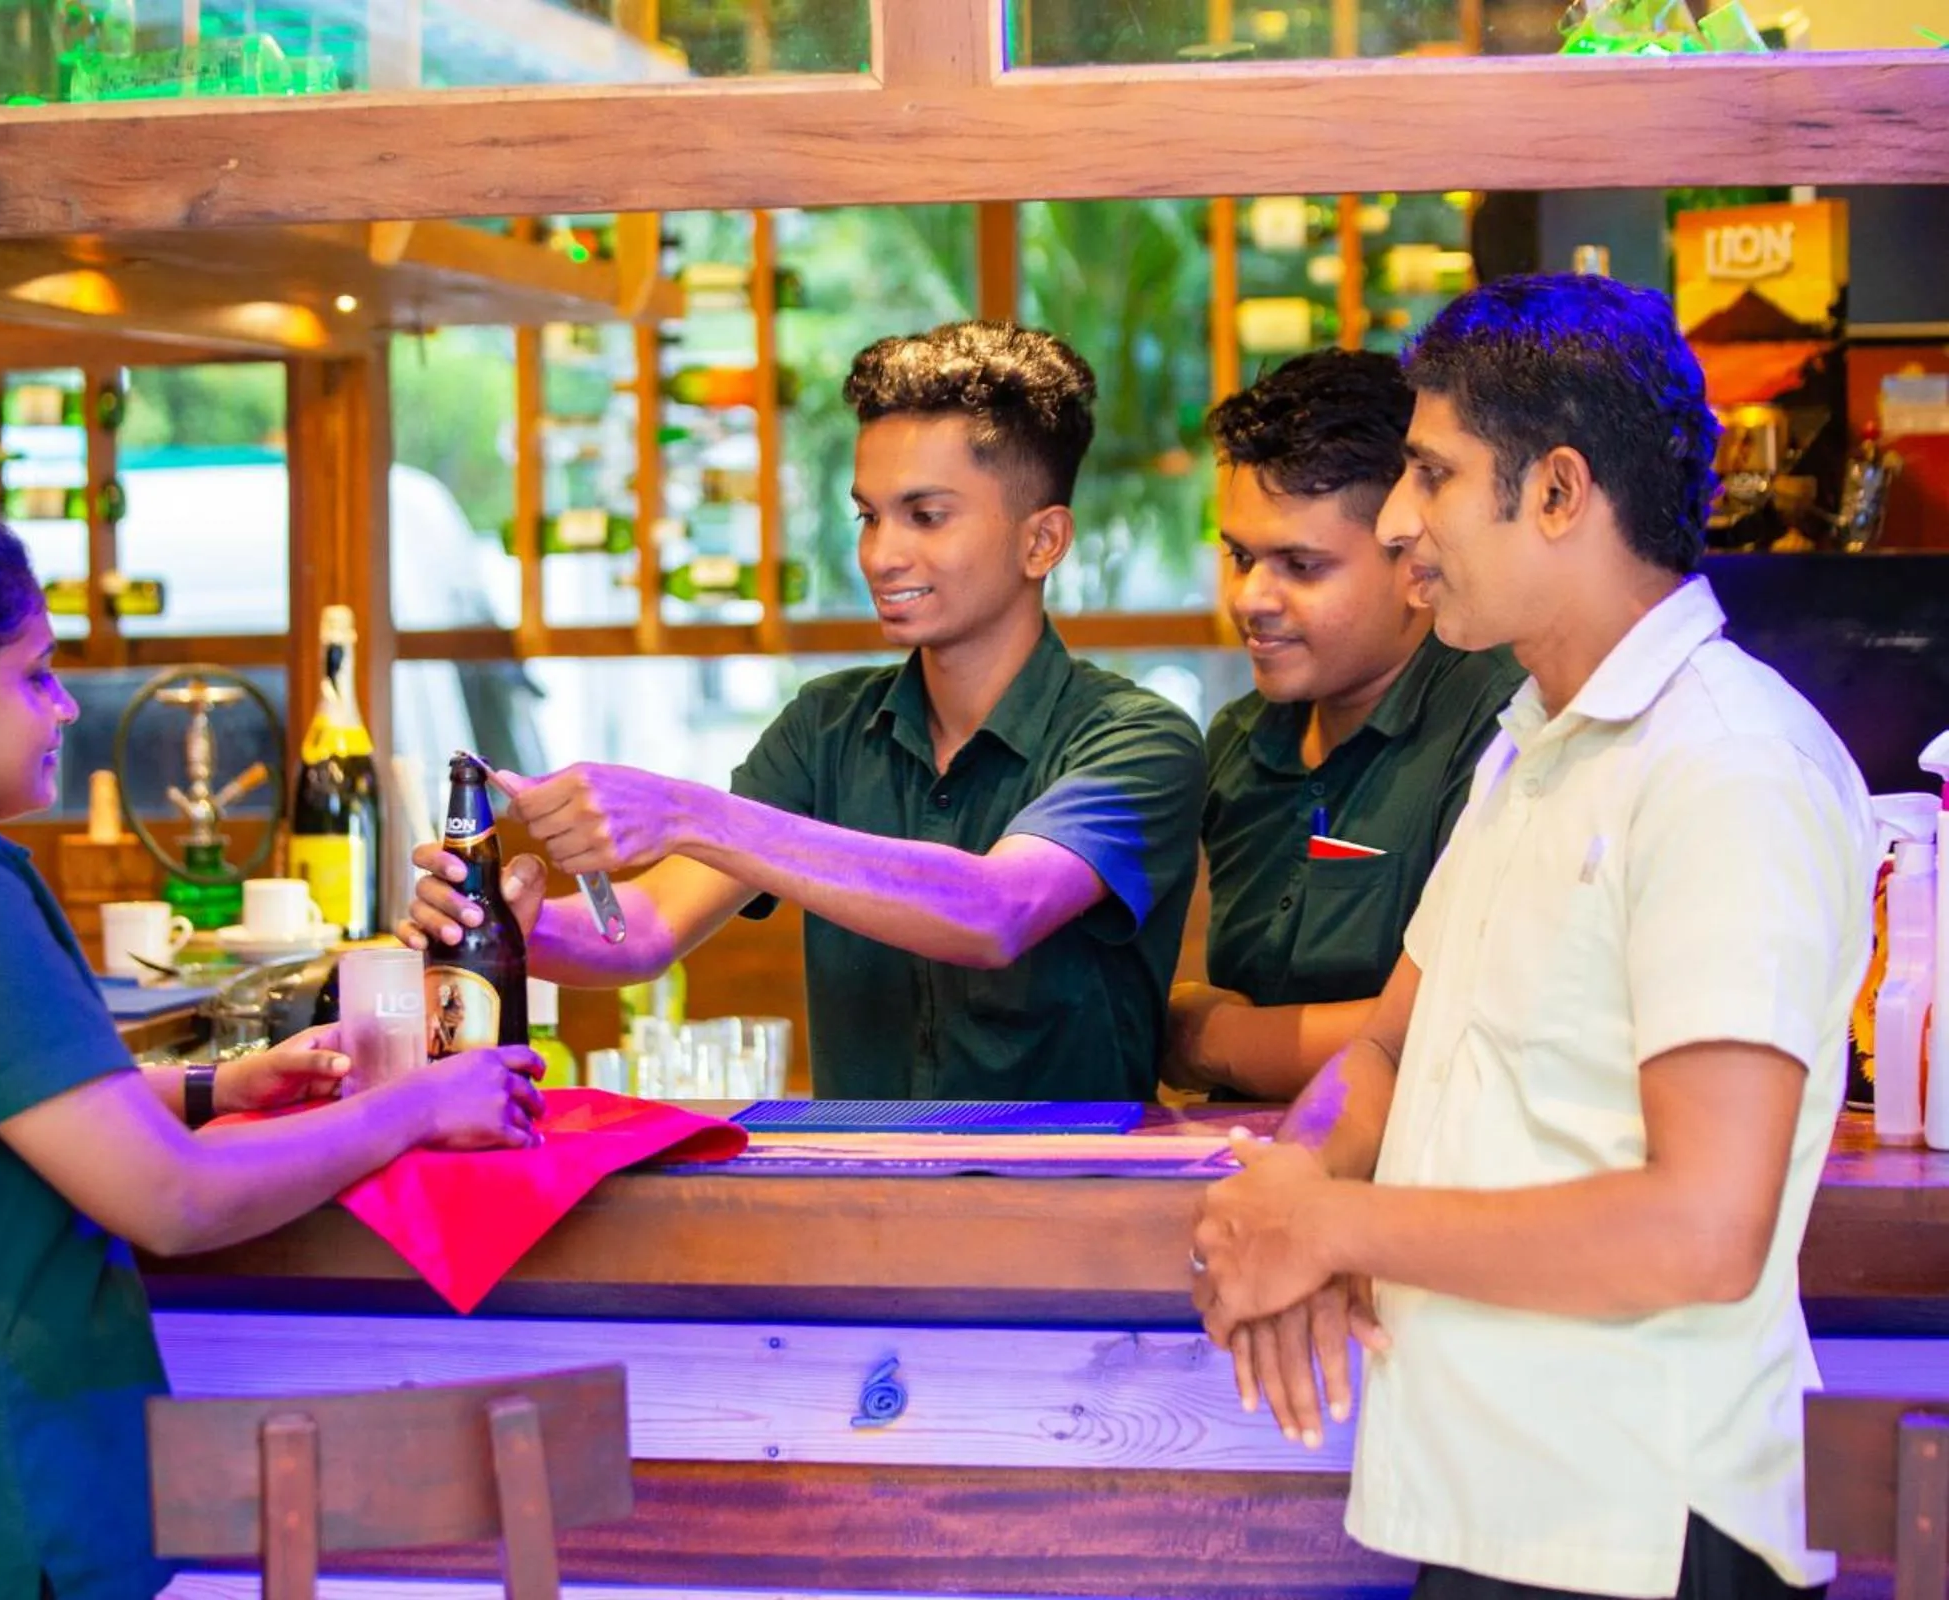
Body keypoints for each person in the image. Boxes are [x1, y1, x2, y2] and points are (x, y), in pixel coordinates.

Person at [0, 494, 545, 1600]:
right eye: (35, 674)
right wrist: (414, 1105)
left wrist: (219, 1084)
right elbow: (172, 1199)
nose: (66, 706)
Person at [1191, 275, 1872, 1598]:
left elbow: (1703, 1227)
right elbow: (1389, 1049)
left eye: (1433, 475)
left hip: (1644, 1530)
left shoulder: (1727, 763)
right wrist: (1300, 1178)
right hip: (1493, 1514)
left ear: (1559, 491)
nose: (1401, 522)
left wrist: (1338, 1230)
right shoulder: (1533, 749)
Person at [402, 321, 1206, 1100]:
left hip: (1075, 1181)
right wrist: (509, 926)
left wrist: (689, 813)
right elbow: (644, 930)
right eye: (869, 515)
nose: (881, 554)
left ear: (1043, 541)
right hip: (848, 1176)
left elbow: (998, 910)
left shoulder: (1136, 739)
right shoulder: (826, 725)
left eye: (926, 516)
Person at [1167, 350, 1524, 1101]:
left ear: (1412, 555)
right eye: (1240, 557)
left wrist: (1208, 1039)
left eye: (1301, 566)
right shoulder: (1239, 740)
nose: (1251, 598)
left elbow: (1461, 1029)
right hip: (1246, 1156)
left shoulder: (1500, 726)